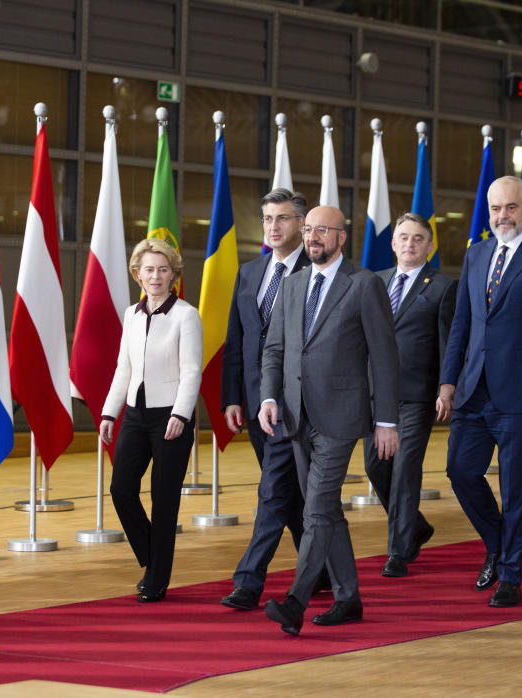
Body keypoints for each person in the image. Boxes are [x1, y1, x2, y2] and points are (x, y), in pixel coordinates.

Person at [258, 205, 399, 635]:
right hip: (297, 416)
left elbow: (384, 356)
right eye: (308, 229)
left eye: (322, 230)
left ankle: (297, 601)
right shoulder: (293, 282)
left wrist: (387, 421)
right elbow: (276, 349)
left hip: (342, 416)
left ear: (341, 237)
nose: (312, 236)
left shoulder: (364, 284)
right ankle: (348, 598)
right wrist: (269, 396)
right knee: (328, 510)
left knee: (316, 509)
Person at [437, 175, 522, 608]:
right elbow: (461, 324)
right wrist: (448, 381)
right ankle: (498, 545)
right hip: (473, 389)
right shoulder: (476, 254)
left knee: (517, 490)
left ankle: (510, 576)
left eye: (511, 208)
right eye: (496, 209)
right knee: (460, 471)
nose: (502, 217)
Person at [219, 189, 313, 611]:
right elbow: (236, 339)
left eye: (283, 219)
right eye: (268, 219)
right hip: (256, 402)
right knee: (289, 493)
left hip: (298, 403)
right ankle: (323, 570)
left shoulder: (319, 272)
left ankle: (249, 580)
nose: (273, 227)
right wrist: (233, 397)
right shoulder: (249, 272)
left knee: (273, 490)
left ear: (302, 224)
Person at [100, 238, 202, 602]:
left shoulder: (186, 315)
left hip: (171, 417)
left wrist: (181, 414)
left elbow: (192, 372)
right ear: (137, 274)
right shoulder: (131, 314)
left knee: (163, 498)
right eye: (149, 270)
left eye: (163, 269)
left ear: (173, 274)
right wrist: (110, 411)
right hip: (135, 415)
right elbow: (123, 368)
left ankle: (156, 578)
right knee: (121, 490)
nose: (156, 276)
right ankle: (152, 557)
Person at [363, 212, 456, 578]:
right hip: (376, 396)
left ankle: (398, 551)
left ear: (429, 246)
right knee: (376, 466)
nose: (410, 243)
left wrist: (446, 387)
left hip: (418, 395)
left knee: (404, 471)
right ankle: (415, 526)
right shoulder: (374, 282)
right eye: (403, 236)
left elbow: (449, 343)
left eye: (418, 238)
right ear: (393, 242)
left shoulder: (444, 286)